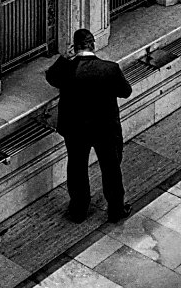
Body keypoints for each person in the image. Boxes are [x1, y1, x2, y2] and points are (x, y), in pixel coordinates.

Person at [46, 28, 133, 223]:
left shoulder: (67, 70)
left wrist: (64, 58)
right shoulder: (110, 68)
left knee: (77, 168)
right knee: (111, 169)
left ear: (74, 48)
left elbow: (51, 77)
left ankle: (78, 211)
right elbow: (126, 92)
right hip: (105, 129)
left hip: (76, 130)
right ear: (93, 44)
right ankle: (116, 210)